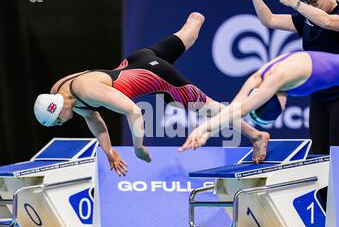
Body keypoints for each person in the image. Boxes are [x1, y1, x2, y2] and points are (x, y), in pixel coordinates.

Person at [33, 12, 270, 176]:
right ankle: (196, 16)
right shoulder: (60, 90)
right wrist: (109, 152)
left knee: (211, 108)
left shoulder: (86, 91)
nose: (60, 124)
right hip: (138, 60)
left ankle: (256, 136)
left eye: (57, 122)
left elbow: (134, 111)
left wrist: (138, 146)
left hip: (157, 76)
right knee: (190, 32)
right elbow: (94, 120)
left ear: (59, 109)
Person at [228, 0, 339, 155]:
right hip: (319, 97)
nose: (309, 6)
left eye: (313, 2)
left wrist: (296, 4)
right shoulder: (306, 19)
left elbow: (328, 22)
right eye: (307, 1)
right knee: (318, 155)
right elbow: (269, 20)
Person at [180, 50, 339, 151]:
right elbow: (233, 108)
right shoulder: (257, 79)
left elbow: (242, 110)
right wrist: (207, 133)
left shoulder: (279, 77)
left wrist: (202, 128)